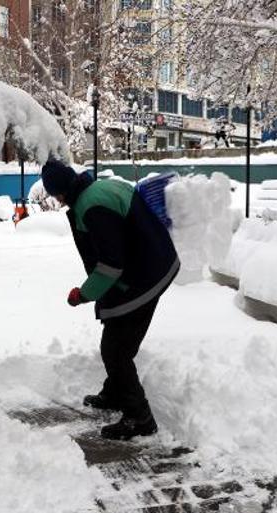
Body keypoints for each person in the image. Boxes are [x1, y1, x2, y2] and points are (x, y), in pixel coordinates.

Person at [41, 160, 180, 440]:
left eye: (54, 194)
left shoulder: (92, 206)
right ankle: (116, 392)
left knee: (116, 350)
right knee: (117, 333)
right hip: (151, 264)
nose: (55, 200)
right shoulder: (101, 188)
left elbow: (110, 265)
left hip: (144, 276)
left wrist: (84, 294)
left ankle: (139, 417)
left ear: (61, 191)